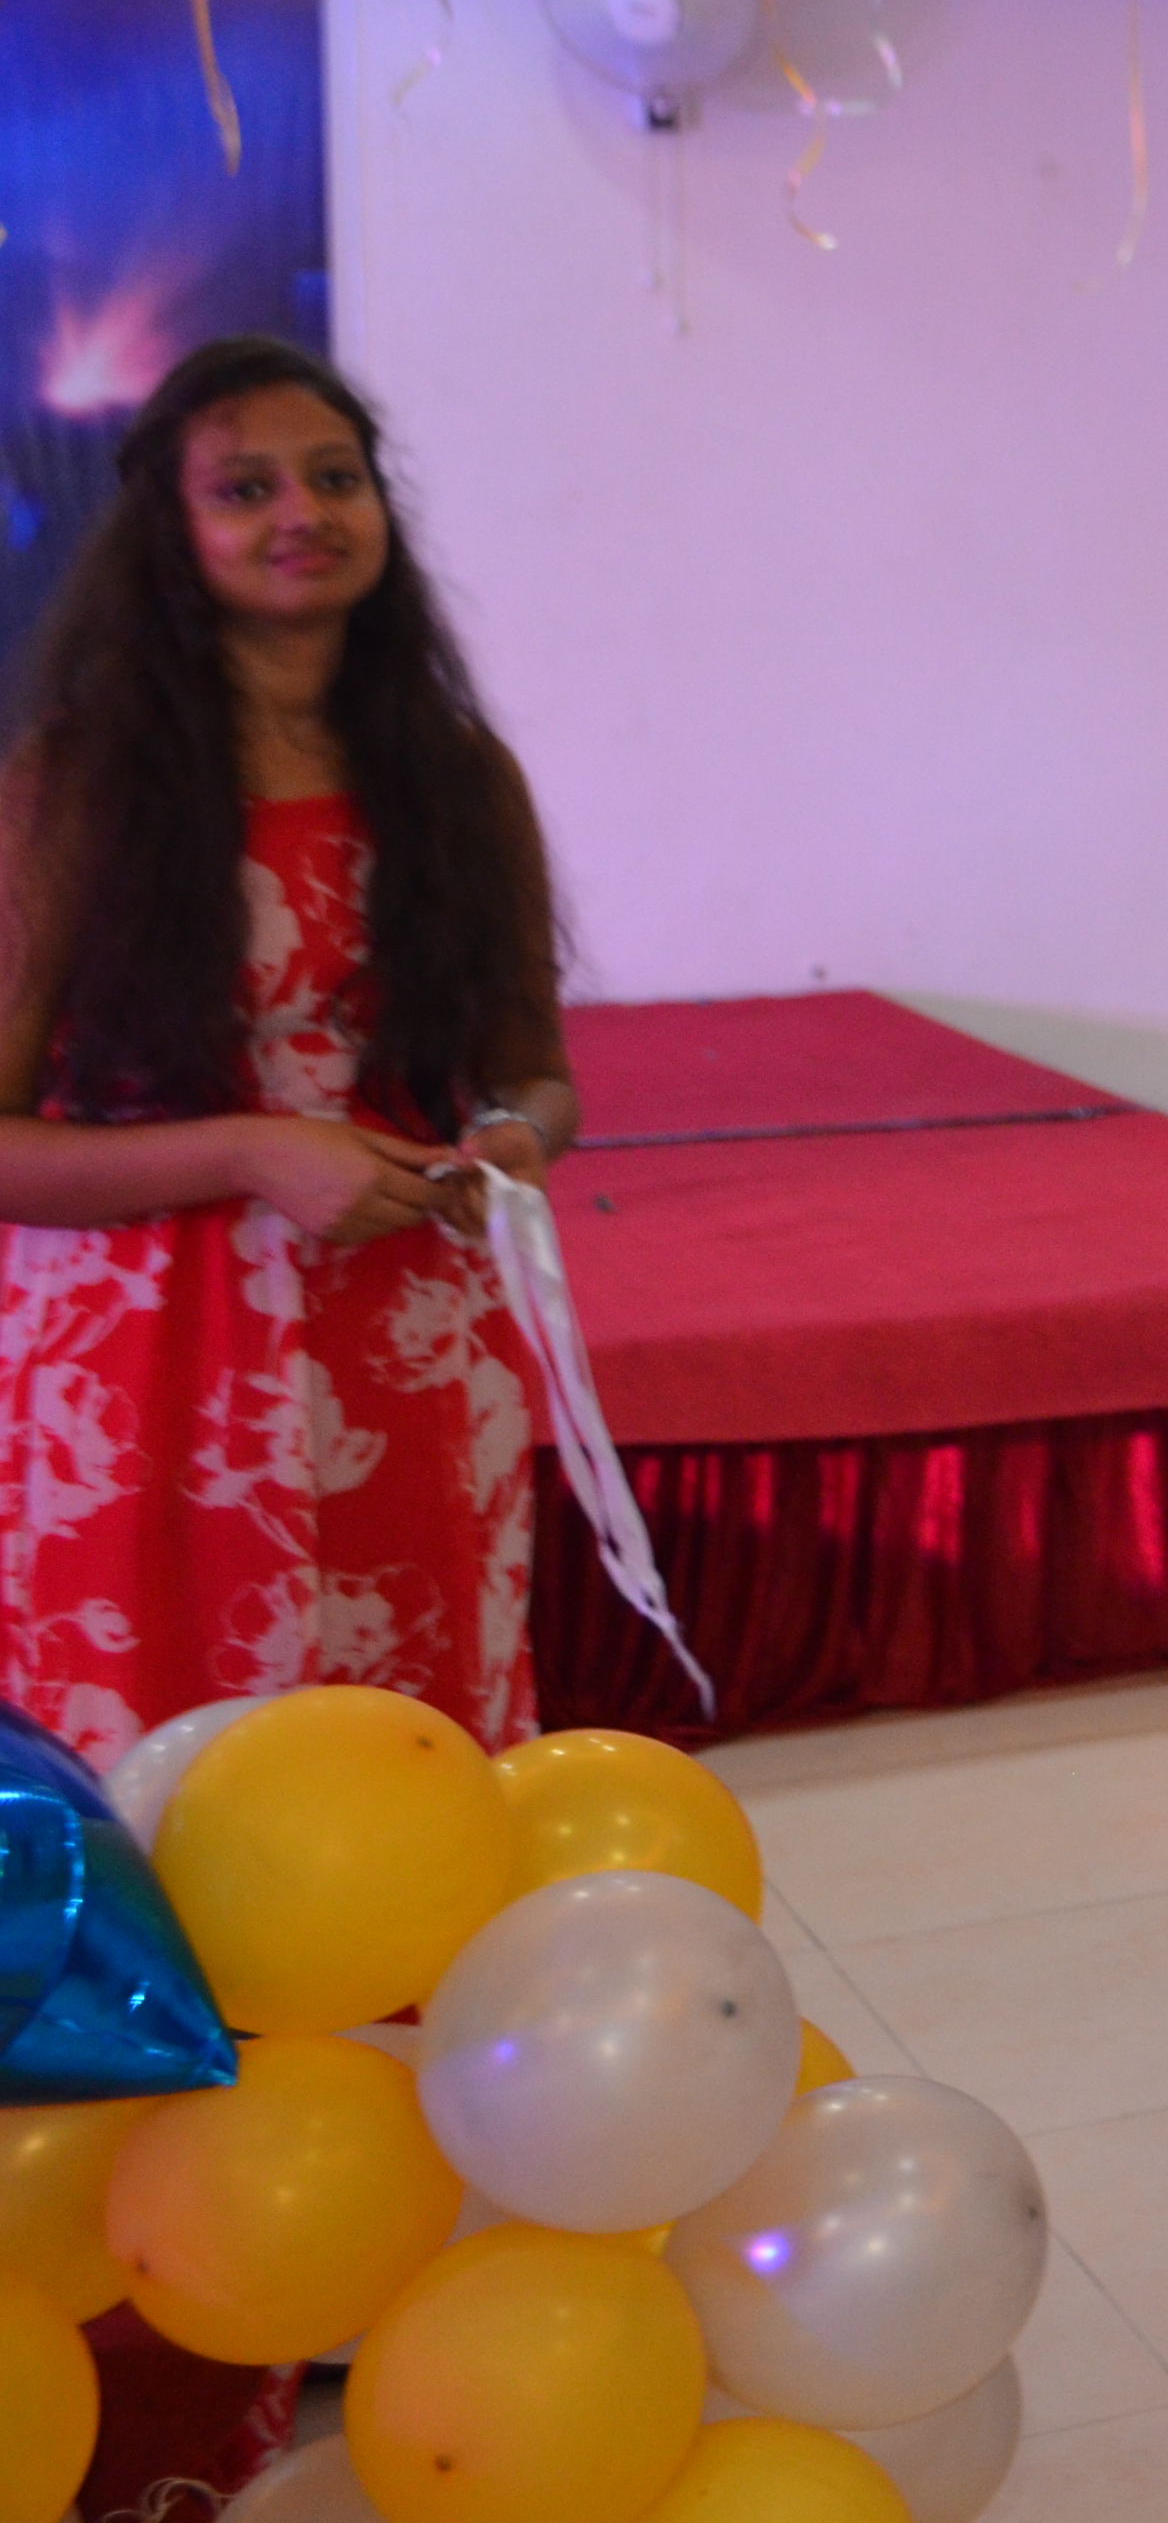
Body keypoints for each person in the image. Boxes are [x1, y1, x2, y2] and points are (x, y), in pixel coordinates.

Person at [0, 337, 574, 1771]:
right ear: (174, 532)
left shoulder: (459, 775)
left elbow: (536, 1075)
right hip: (145, 1364)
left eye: (335, 478)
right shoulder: (76, 781)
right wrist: (257, 1152)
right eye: (245, 489)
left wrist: (514, 1143)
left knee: (406, 1773)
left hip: (408, 1341)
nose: (303, 514)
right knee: (172, 1780)